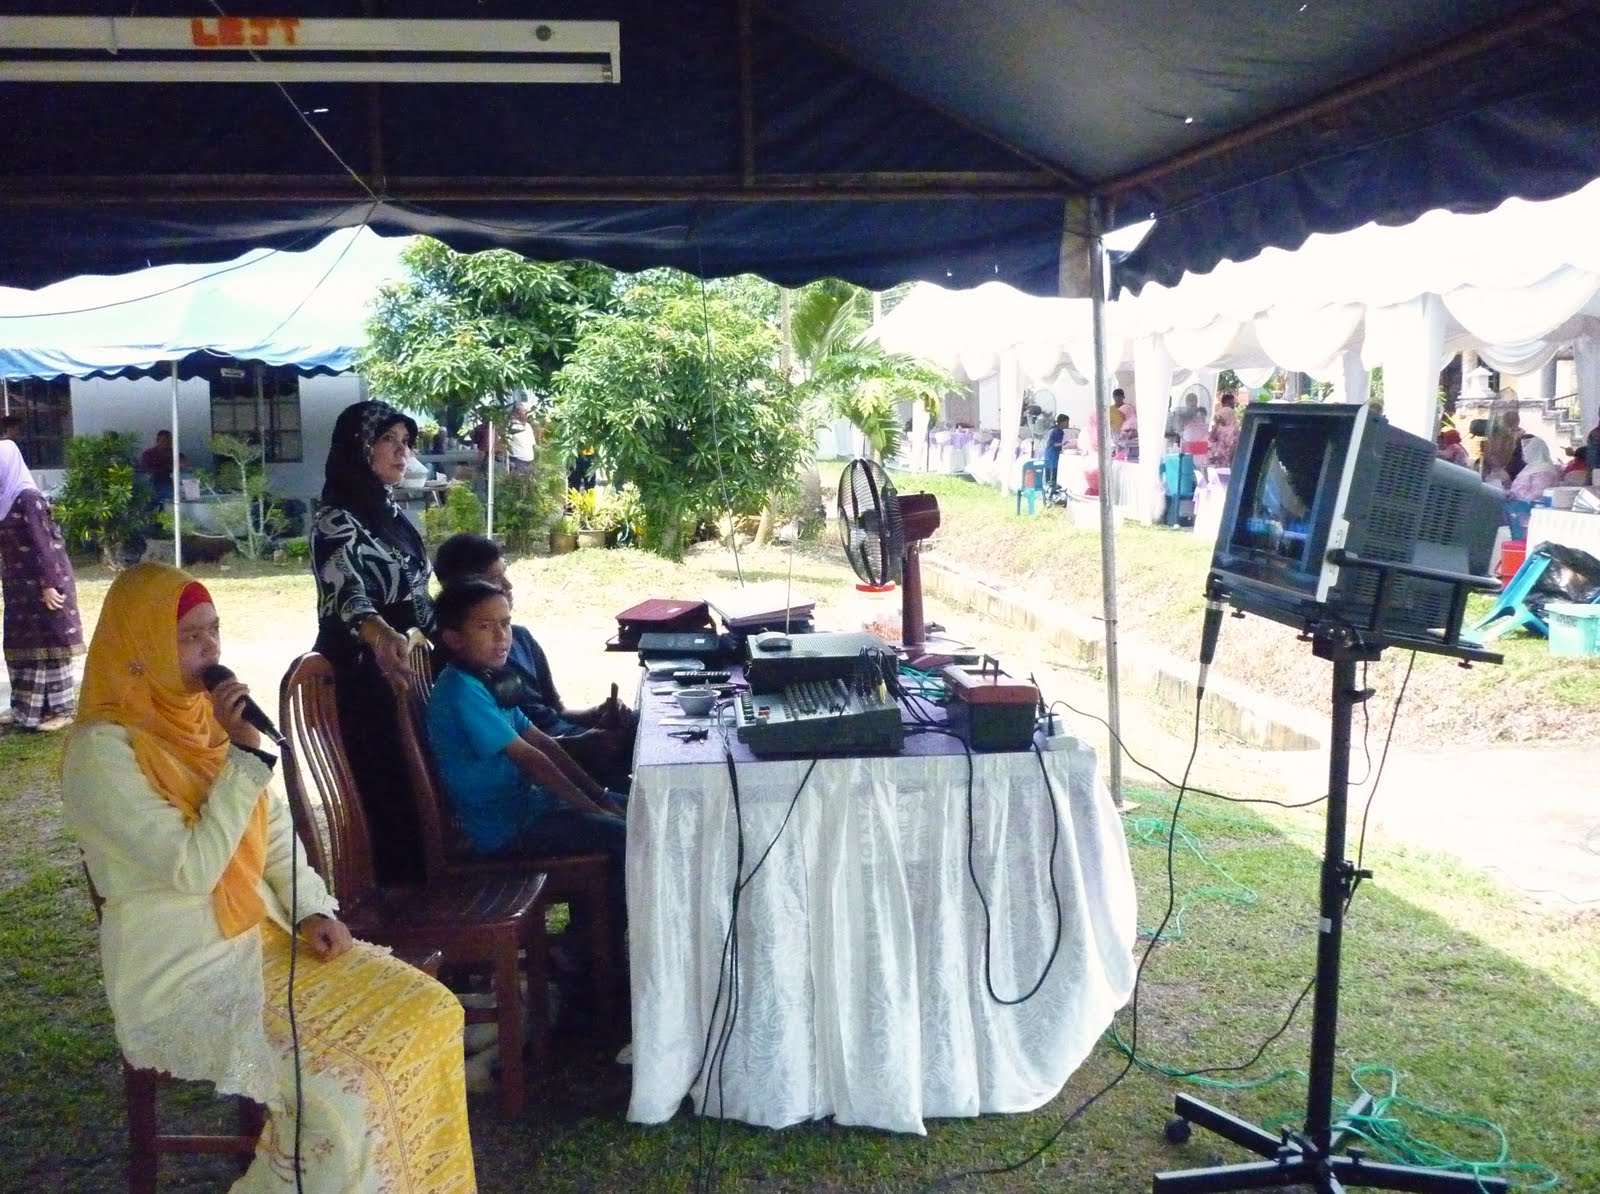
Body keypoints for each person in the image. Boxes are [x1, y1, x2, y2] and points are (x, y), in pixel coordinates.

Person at [62, 563, 476, 1192]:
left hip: (271, 943)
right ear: (141, 648)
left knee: (431, 1012)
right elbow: (192, 869)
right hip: (184, 975)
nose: (211, 651)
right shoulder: (101, 754)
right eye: (191, 637)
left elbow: (272, 830)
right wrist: (247, 758)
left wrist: (311, 908)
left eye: (215, 631)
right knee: (342, 1098)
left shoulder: (202, 724)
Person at [426, 578, 627, 951]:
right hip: (502, 831)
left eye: (505, 623)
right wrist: (592, 806)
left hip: (528, 809)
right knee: (624, 837)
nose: (502, 636)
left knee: (636, 808)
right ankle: (590, 957)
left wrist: (599, 795)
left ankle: (586, 941)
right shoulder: (461, 692)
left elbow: (544, 742)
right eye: (485, 627)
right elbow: (532, 759)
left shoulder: (488, 679)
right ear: (454, 639)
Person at [310, 400, 435, 883]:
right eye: (389, 441)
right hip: (367, 677)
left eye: (406, 443)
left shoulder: (390, 513)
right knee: (391, 795)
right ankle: (403, 903)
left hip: (406, 669)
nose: (402, 453)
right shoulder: (335, 519)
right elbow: (348, 596)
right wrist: (381, 634)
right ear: (359, 448)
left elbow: (418, 593)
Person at [432, 533, 636, 789]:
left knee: (643, 725)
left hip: (560, 742)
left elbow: (554, 711)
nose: (507, 586)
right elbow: (520, 753)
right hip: (537, 770)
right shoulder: (460, 670)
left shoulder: (520, 637)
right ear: (466, 588)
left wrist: (596, 714)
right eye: (494, 579)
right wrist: (583, 745)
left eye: (505, 574)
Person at [0, 440, 84, 730]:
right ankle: (27, 710)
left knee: (51, 644)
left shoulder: (28, 498)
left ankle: (61, 710)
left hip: (45, 584)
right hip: (19, 588)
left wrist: (50, 585)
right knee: (22, 644)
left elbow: (44, 545)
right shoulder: (5, 499)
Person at [1507, 436, 1561, 501]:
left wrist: (1515, 497)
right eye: (1524, 451)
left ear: (1536, 450)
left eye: (1527, 450)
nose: (1524, 454)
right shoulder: (1530, 467)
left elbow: (1538, 495)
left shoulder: (1544, 470)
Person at [138, 430, 189, 498]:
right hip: (155, 483)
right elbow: (145, 469)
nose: (167, 443)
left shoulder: (176, 454)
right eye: (164, 440)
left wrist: (182, 466)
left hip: (174, 484)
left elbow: (185, 464)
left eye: (169, 441)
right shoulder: (149, 454)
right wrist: (167, 468)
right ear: (157, 440)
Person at [1208, 393, 1240, 470]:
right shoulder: (1233, 427)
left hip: (1219, 457)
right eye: (1233, 402)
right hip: (1228, 458)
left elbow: (1211, 438)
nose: (1234, 404)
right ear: (1228, 402)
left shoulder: (1219, 426)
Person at [505, 402, 536, 476]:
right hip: (517, 463)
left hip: (529, 463)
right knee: (517, 486)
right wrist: (508, 462)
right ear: (518, 412)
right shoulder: (511, 426)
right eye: (525, 411)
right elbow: (504, 445)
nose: (528, 414)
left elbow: (532, 444)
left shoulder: (528, 426)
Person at [1042, 413, 1070, 494]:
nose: (1068, 424)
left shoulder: (1061, 431)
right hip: (1051, 454)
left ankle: (1052, 491)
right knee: (1050, 473)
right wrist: (1063, 444)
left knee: (1054, 472)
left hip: (1055, 454)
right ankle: (1048, 491)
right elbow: (1052, 443)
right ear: (1062, 422)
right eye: (1067, 422)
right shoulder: (1055, 431)